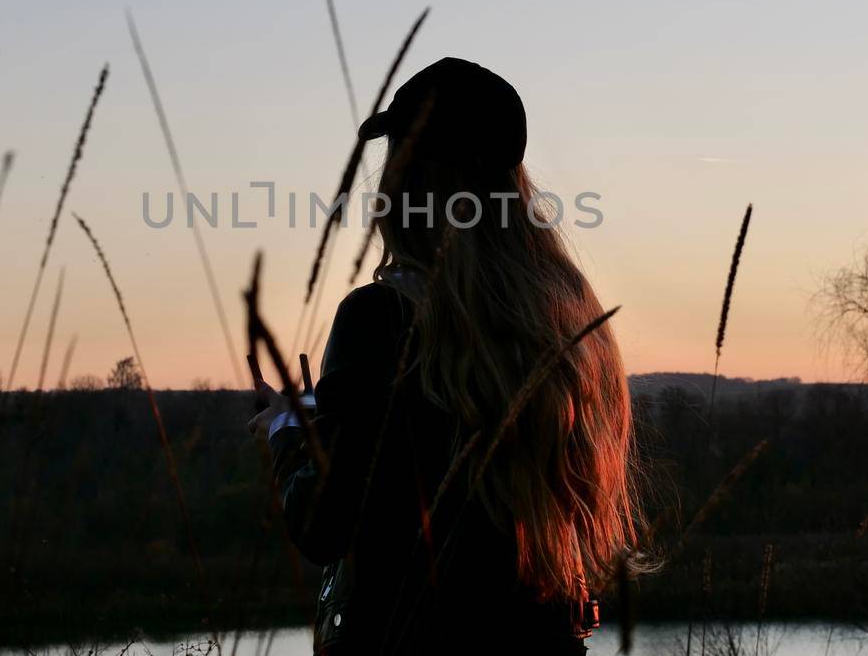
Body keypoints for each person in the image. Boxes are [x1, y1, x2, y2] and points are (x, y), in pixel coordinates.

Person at [247, 58, 642, 654]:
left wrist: (287, 431)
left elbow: (327, 526)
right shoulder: (567, 318)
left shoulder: (379, 318)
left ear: (406, 185)